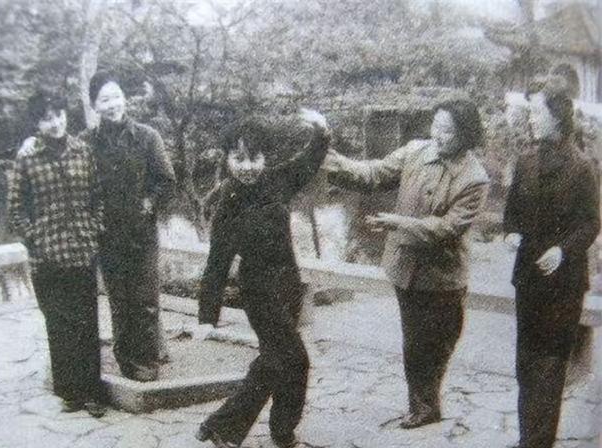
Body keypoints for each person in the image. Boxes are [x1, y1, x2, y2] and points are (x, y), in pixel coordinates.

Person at [324, 99, 489, 429]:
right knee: (415, 342)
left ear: (466, 135)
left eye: (447, 130)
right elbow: (373, 173)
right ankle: (423, 407)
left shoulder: (474, 179)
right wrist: (330, 158)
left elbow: (447, 228)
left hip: (443, 278)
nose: (437, 135)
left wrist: (399, 223)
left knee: (441, 341)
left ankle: (426, 403)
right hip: (408, 270)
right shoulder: (416, 151)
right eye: (436, 126)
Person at [193, 109, 330, 448]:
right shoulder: (227, 202)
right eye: (238, 158)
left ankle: (266, 430)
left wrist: (321, 132)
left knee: (276, 361)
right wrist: (207, 316)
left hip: (288, 285)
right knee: (295, 358)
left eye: (254, 158)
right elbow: (217, 263)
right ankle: (245, 427)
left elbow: (310, 160)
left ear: (265, 157)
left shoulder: (279, 180)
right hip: (258, 291)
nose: (247, 167)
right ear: (227, 159)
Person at [504, 76, 600, 448]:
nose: (530, 118)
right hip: (529, 277)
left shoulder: (581, 166)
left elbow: (591, 222)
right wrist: (511, 233)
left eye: (536, 112)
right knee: (526, 364)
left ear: (557, 116)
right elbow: (512, 213)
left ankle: (538, 442)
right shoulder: (526, 161)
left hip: (563, 284)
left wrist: (563, 250)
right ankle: (528, 438)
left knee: (550, 364)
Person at [8, 89, 106, 417]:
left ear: (66, 115)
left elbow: (97, 198)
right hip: (46, 257)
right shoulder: (27, 157)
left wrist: (93, 231)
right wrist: (38, 240)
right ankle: (70, 393)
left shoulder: (83, 151)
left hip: (81, 251)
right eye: (47, 118)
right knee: (59, 323)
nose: (55, 123)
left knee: (86, 322)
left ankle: (92, 393)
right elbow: (16, 210)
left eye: (59, 115)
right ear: (37, 123)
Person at [85, 71, 177, 382]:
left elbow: (166, 181)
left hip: (142, 233)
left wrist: (148, 203)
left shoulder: (147, 137)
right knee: (120, 301)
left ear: (124, 98)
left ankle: (148, 361)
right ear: (95, 105)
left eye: (116, 97)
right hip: (107, 235)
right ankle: (126, 359)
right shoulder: (87, 143)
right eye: (104, 100)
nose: (112, 105)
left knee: (146, 300)